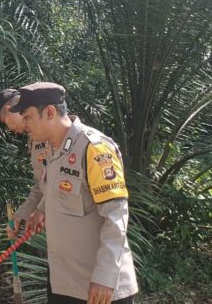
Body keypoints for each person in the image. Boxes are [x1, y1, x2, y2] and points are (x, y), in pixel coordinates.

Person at [10, 82, 138, 304]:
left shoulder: (94, 148)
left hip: (99, 289)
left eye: (28, 116)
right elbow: (58, 192)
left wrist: (105, 276)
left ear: (49, 112)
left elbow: (116, 216)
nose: (25, 123)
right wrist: (38, 211)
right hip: (64, 284)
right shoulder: (51, 150)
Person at [0, 88, 49, 237]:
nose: (10, 130)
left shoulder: (52, 133)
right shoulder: (33, 138)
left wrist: (41, 210)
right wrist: (21, 214)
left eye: (6, 123)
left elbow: (61, 181)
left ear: (9, 110)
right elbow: (42, 183)